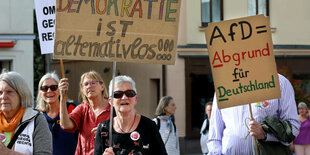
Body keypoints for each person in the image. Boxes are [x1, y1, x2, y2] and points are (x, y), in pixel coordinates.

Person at [207, 74, 300, 155]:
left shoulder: (280, 83)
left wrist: (265, 134)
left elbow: (293, 128)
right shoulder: (224, 86)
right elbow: (214, 137)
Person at [94, 75, 167, 155]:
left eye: (129, 93)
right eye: (118, 94)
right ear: (110, 101)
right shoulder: (103, 129)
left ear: (135, 99)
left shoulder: (149, 126)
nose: (124, 97)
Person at [58, 70, 111, 155]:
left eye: (93, 83)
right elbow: (65, 125)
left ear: (102, 86)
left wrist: (107, 132)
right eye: (85, 84)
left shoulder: (113, 109)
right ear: (82, 90)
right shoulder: (82, 108)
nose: (89, 86)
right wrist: (62, 98)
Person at [0, 71, 52, 154]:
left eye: (9, 92)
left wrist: (8, 153)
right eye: (0, 92)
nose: (3, 97)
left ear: (21, 94)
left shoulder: (37, 120)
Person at [36, 72, 77, 155]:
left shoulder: (72, 109)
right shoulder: (36, 115)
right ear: (40, 93)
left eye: (54, 87)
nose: (49, 91)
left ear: (60, 89)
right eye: (44, 88)